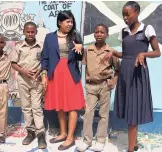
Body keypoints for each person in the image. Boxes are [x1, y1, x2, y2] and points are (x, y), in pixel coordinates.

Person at [104, 1, 161, 152]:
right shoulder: (123, 31)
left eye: (127, 14)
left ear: (137, 12)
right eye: (123, 14)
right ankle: (133, 144)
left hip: (138, 74)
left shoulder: (147, 29)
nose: (125, 17)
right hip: (125, 73)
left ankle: (130, 149)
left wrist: (143, 53)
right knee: (130, 109)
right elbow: (126, 54)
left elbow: (157, 52)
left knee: (133, 113)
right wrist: (114, 53)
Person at [41, 10, 85, 151]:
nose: (70, 24)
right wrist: (44, 74)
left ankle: (70, 138)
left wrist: (80, 48)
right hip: (55, 74)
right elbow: (45, 57)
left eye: (71, 21)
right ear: (60, 22)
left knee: (72, 106)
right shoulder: (49, 38)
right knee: (60, 105)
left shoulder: (75, 36)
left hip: (70, 74)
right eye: (67, 21)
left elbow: (80, 58)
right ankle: (63, 133)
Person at [77, 24, 119, 152]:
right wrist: (86, 82)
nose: (99, 34)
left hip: (105, 85)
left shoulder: (111, 51)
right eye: (97, 32)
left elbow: (118, 69)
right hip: (91, 86)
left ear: (107, 35)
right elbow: (85, 67)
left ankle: (100, 140)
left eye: (102, 32)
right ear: (94, 34)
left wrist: (114, 81)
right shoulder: (88, 50)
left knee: (103, 114)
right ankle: (87, 141)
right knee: (88, 113)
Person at [11, 22, 47, 149]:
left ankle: (40, 134)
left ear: (36, 32)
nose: (30, 34)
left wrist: (40, 70)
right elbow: (13, 63)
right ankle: (30, 132)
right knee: (26, 107)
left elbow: (44, 61)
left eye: (32, 32)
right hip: (23, 80)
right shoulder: (19, 46)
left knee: (37, 107)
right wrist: (24, 71)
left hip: (36, 81)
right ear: (24, 32)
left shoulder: (41, 46)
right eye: (28, 32)